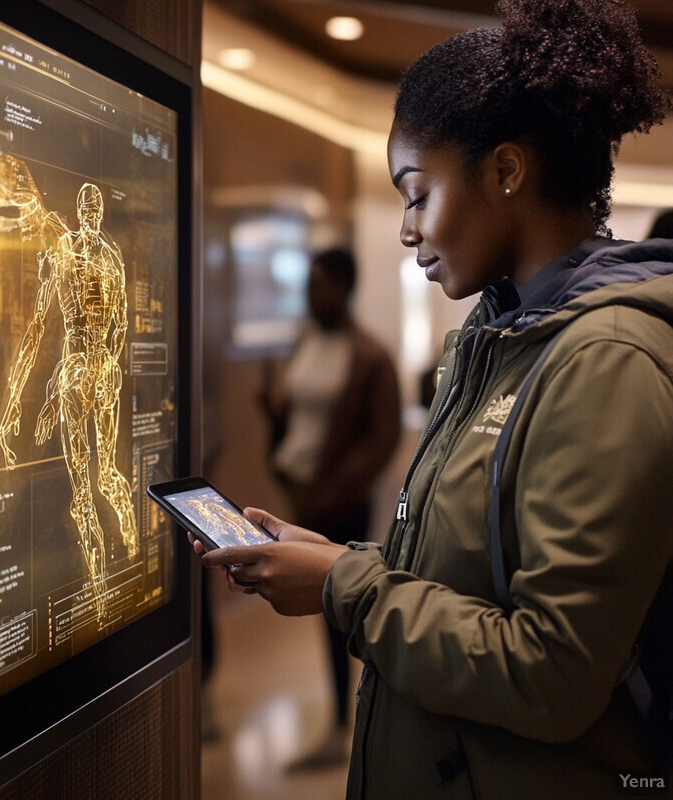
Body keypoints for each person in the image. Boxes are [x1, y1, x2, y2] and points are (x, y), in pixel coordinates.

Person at [194, 0, 673, 797]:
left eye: (416, 195)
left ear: (507, 172)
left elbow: (551, 672)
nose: (408, 229)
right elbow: (470, 585)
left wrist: (345, 589)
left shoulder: (605, 362)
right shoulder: (497, 336)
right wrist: (339, 561)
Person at [259, 247, 401, 768]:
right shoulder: (306, 342)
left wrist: (332, 489)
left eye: (319, 286)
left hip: (339, 502)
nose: (310, 296)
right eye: (308, 286)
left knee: (341, 615)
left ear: (344, 288)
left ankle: (349, 721)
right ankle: (341, 721)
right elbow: (294, 419)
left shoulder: (369, 355)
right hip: (301, 494)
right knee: (324, 617)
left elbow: (381, 440)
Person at [0, 174, 139, 621]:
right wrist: (20, 399)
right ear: (83, 214)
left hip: (84, 373)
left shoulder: (90, 257)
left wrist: (52, 389)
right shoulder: (104, 258)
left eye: (95, 211)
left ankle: (124, 570)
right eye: (90, 211)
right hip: (92, 373)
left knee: (99, 482)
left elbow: (55, 328)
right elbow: (102, 329)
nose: (93, 218)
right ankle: (114, 585)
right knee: (99, 482)